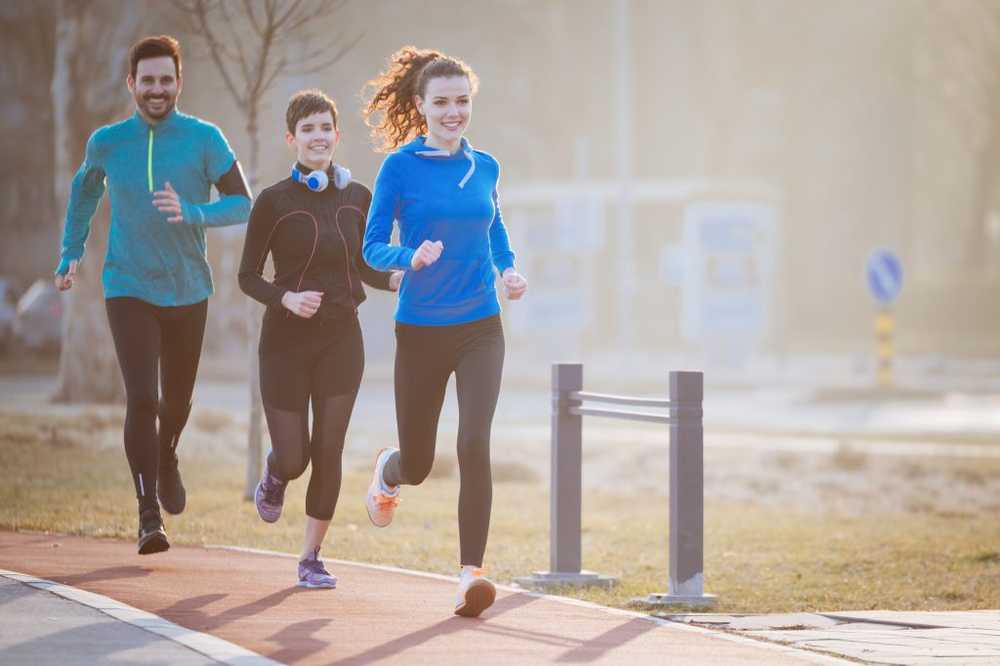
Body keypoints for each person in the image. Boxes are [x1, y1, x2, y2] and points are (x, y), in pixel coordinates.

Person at [53, 35, 251, 555]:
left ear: (179, 83)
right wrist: (71, 252)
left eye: (166, 80)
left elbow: (242, 203)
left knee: (177, 401)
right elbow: (85, 191)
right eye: (148, 81)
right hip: (128, 285)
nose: (157, 89)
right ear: (132, 84)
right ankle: (148, 515)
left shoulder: (205, 138)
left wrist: (195, 212)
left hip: (189, 288)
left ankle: (167, 454)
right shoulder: (108, 142)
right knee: (142, 396)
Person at [360, 46, 528, 617]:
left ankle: (470, 575)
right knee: (422, 463)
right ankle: (390, 469)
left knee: (474, 442)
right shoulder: (399, 168)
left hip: (481, 324)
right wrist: (411, 256)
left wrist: (508, 267)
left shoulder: (486, 166)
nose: (454, 112)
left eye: (462, 101)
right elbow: (372, 244)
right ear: (421, 105)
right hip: (422, 329)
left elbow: (494, 225)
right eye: (442, 102)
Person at [238, 89, 400, 589]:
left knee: (329, 450)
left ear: (337, 135)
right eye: (307, 129)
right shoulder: (272, 202)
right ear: (292, 139)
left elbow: (366, 265)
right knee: (296, 458)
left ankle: (311, 558)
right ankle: (274, 472)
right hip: (285, 342)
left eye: (325, 127)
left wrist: (397, 277)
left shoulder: (358, 199)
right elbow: (247, 276)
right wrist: (285, 299)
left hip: (341, 340)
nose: (318, 136)